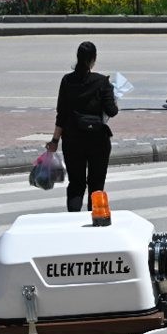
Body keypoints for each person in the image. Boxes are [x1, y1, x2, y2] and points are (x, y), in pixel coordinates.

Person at [49, 41, 119, 213]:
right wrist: (113, 96)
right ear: (93, 60)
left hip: (72, 141)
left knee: (76, 185)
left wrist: (54, 140)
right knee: (96, 185)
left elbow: (61, 114)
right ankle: (94, 220)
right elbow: (112, 110)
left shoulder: (67, 81)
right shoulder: (103, 82)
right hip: (98, 141)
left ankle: (73, 220)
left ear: (78, 58)